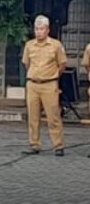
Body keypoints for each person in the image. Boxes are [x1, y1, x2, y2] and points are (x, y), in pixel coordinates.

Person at [22, 15, 67, 156]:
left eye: (41, 29)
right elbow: (26, 64)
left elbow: (62, 65)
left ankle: (58, 145)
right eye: (36, 29)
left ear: (47, 30)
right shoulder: (29, 45)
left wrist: (52, 76)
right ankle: (34, 144)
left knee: (53, 116)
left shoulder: (56, 45)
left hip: (49, 84)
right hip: (33, 84)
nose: (38, 32)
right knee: (33, 116)